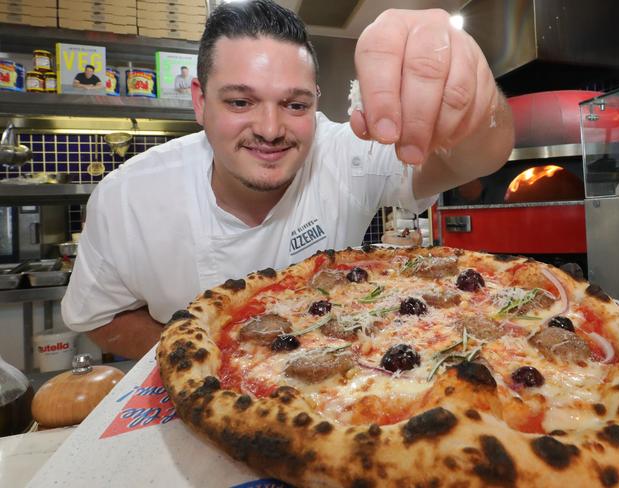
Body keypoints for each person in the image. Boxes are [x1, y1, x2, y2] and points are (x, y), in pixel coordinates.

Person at [62, 0, 514, 359]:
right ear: (199, 102)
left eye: (295, 105)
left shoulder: (342, 154)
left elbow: (478, 159)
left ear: (315, 102)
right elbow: (99, 317)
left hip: (342, 390)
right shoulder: (128, 196)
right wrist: (199, 357)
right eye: (240, 102)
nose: (271, 128)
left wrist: (478, 102)